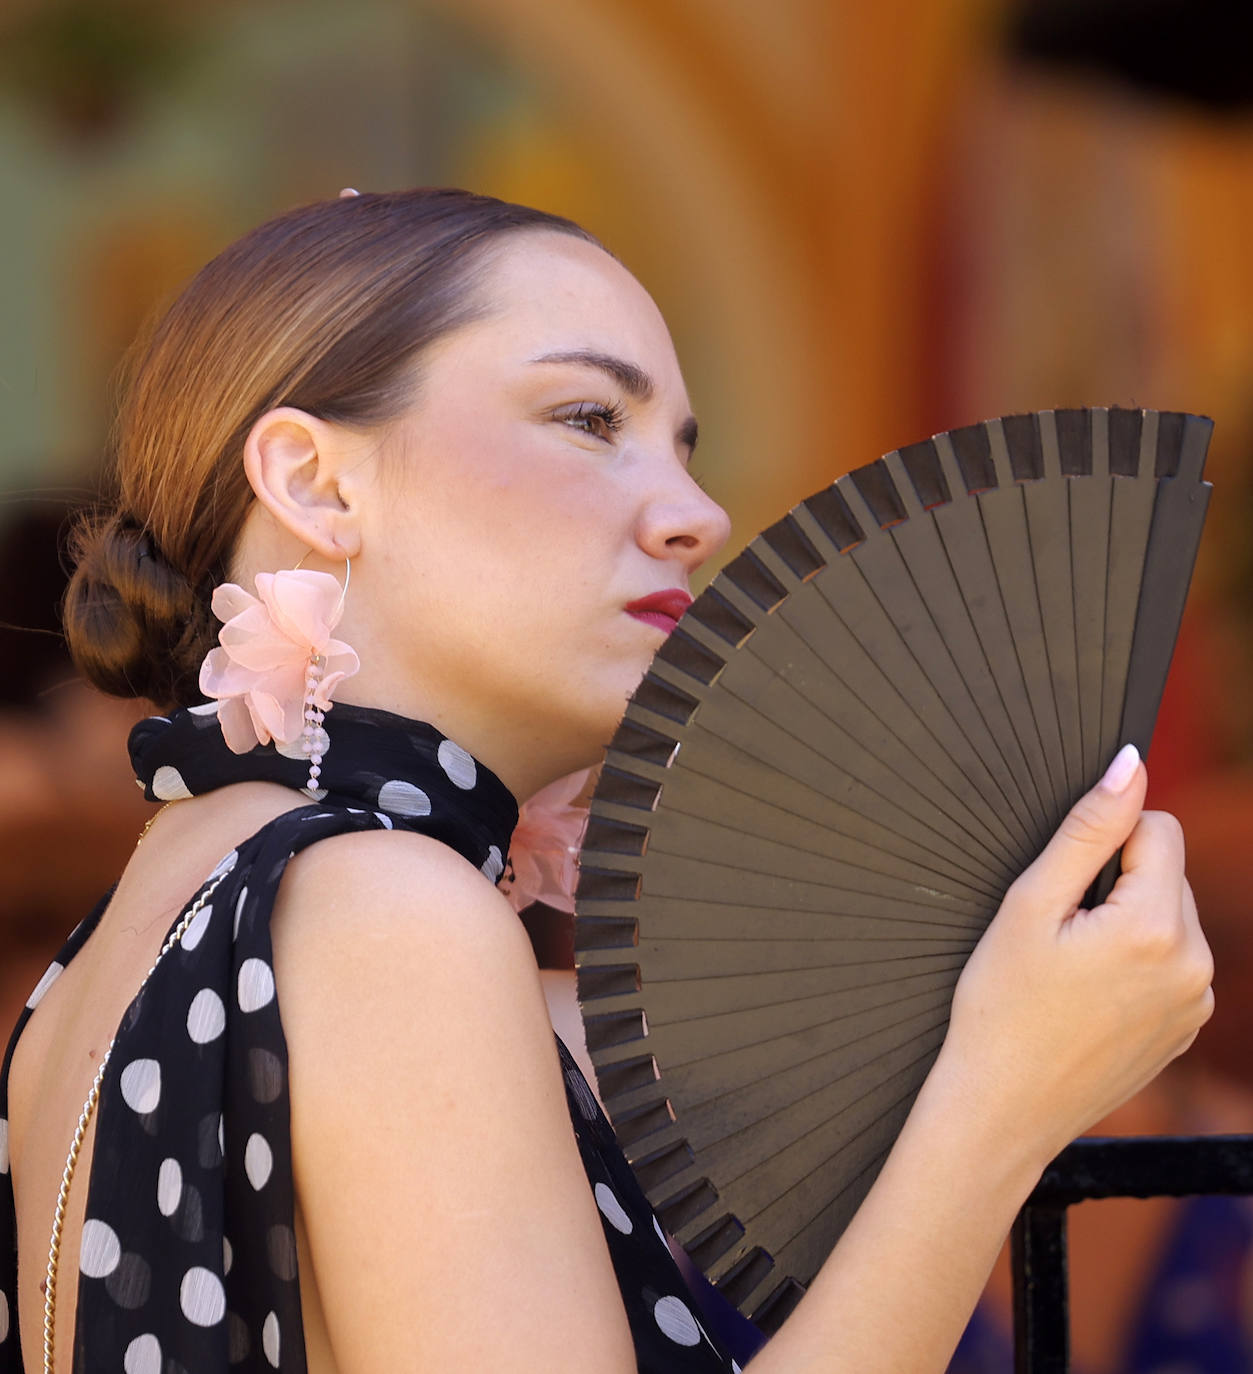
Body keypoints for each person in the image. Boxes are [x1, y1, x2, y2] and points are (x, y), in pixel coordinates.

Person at [0, 188, 1212, 1373]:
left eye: (687, 447)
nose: (696, 514)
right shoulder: (385, 909)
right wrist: (993, 1112)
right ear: (316, 482)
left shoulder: (131, 937)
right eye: (588, 418)